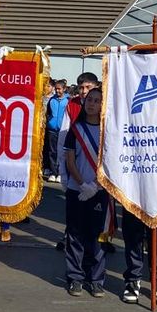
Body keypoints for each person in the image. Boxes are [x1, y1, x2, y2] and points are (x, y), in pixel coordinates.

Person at [62, 87, 108, 299]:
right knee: (75, 234)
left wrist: (97, 186)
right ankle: (75, 277)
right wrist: (83, 185)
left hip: (99, 191)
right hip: (77, 190)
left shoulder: (107, 131)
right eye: (89, 100)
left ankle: (96, 279)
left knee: (96, 236)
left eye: (97, 101)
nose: (92, 104)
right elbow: (70, 161)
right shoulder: (75, 129)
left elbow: (110, 163)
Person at [45, 79, 69, 182]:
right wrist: (49, 121)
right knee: (52, 151)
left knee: (62, 152)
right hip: (52, 129)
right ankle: (53, 172)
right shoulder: (52, 100)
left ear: (64, 89)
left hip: (63, 130)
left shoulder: (69, 100)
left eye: (59, 89)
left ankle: (60, 172)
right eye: (56, 89)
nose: (57, 91)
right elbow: (48, 113)